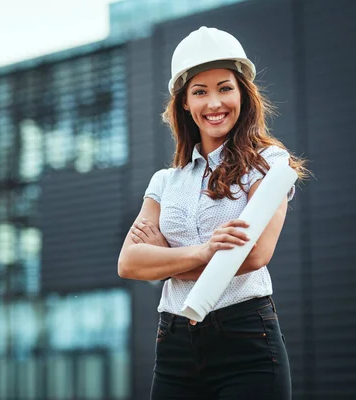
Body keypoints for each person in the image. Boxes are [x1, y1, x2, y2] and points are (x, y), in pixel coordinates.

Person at [117, 26, 309, 399]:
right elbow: (129, 263)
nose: (214, 103)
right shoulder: (164, 181)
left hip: (246, 340)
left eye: (225, 88)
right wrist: (206, 252)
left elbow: (254, 254)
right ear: (185, 103)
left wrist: (164, 260)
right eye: (200, 92)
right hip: (174, 346)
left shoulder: (269, 164)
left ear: (242, 94)